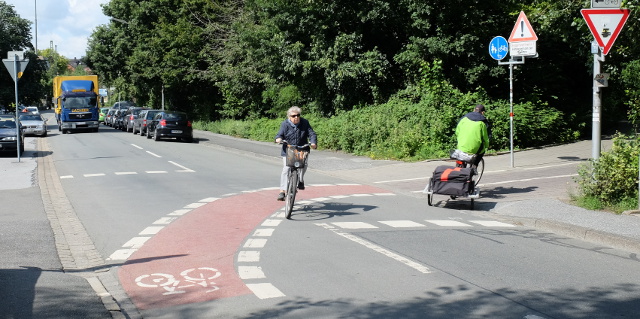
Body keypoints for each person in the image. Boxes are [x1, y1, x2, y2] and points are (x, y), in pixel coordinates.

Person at [274, 106, 317, 201]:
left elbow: (312, 134)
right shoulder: (285, 124)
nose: (296, 117)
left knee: (303, 166)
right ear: (289, 116)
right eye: (293, 116)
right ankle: (282, 191)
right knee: (286, 169)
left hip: (302, 149)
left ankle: (300, 180)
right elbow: (279, 134)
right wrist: (278, 139)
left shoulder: (305, 122)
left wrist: (313, 142)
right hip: (288, 150)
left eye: (298, 115)